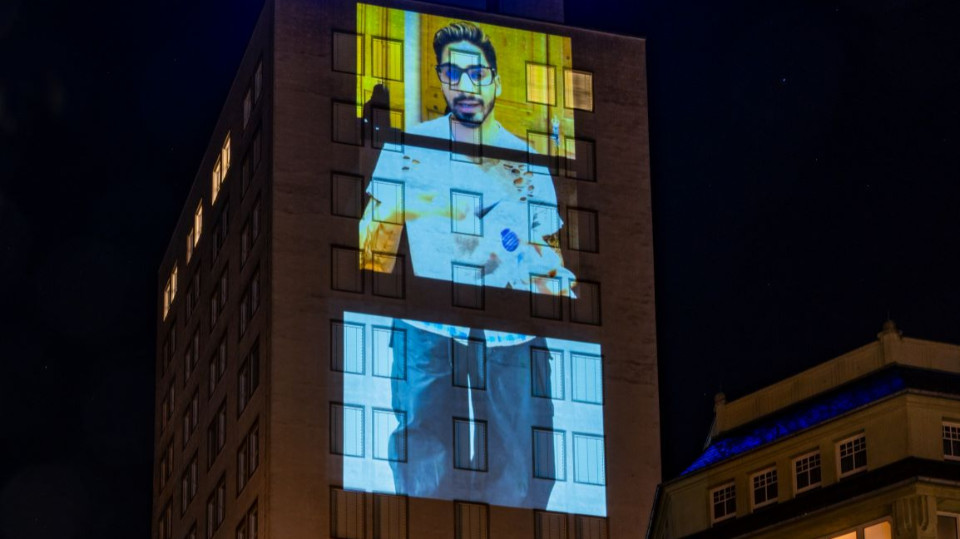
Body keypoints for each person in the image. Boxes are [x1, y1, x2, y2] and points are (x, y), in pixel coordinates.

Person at [357, 21, 573, 509]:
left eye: (477, 72)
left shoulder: (526, 161)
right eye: (453, 72)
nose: (465, 85)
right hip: (427, 329)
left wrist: (520, 250)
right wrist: (404, 210)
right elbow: (369, 253)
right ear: (440, 79)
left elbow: (553, 265)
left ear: (495, 79)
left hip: (512, 335)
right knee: (423, 478)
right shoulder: (408, 149)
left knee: (521, 479)